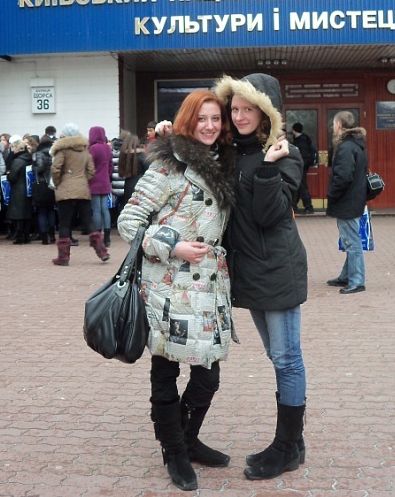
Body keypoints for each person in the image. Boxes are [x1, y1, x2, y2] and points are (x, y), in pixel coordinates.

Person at [117, 90, 237, 491]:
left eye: (216, 119)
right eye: (201, 118)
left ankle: (187, 438)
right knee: (166, 369)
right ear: (187, 120)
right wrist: (174, 246)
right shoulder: (168, 166)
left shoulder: (223, 163)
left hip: (210, 287)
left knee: (208, 376)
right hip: (168, 286)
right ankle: (174, 451)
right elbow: (129, 222)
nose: (209, 126)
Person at [215, 73, 309, 481]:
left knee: (287, 358)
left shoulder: (285, 153)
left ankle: (286, 447)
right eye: (234, 109)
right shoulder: (233, 153)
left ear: (265, 111)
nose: (239, 116)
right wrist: (170, 137)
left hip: (277, 269)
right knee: (277, 357)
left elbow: (271, 215)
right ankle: (294, 442)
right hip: (251, 271)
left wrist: (269, 167)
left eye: (247, 109)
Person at [325, 112, 368, 293]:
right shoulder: (357, 145)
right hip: (355, 199)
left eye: (334, 124)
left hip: (347, 201)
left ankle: (357, 280)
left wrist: (331, 194)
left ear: (339, 125)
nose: (333, 127)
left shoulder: (345, 148)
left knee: (352, 241)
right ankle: (346, 276)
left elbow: (343, 177)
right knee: (350, 239)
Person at [50, 123, 102, 265]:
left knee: (64, 223)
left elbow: (55, 168)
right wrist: (83, 181)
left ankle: (63, 258)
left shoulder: (62, 150)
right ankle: (102, 251)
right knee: (88, 220)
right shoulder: (85, 150)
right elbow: (91, 171)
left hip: (65, 189)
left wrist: (58, 182)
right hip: (82, 188)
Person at [88, 126, 113, 248]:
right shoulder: (107, 148)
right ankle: (107, 237)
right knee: (105, 209)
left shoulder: (92, 149)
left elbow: (90, 166)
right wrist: (106, 175)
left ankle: (97, 237)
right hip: (105, 181)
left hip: (94, 182)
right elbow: (111, 166)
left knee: (96, 209)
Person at [5, 136, 33, 244]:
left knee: (18, 215)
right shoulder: (29, 158)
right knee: (27, 214)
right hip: (28, 188)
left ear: (17, 148)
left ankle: (20, 237)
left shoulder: (17, 161)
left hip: (18, 189)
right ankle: (27, 235)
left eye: (13, 147)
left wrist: (8, 175)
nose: (12, 149)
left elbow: (12, 177)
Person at [31, 133, 57, 245]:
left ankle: (44, 236)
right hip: (52, 184)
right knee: (51, 210)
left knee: (41, 211)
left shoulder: (38, 154)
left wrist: (33, 167)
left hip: (41, 184)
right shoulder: (54, 154)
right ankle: (52, 235)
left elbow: (39, 168)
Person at [117, 133, 149, 208]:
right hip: (140, 184)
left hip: (127, 183)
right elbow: (148, 170)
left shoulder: (124, 155)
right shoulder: (141, 155)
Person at [290, 122, 315, 215]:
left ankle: (308, 207)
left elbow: (303, 155)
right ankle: (293, 206)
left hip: (301, 166)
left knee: (301, 185)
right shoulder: (303, 139)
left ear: (294, 130)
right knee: (299, 185)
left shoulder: (301, 141)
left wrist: (299, 165)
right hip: (301, 165)